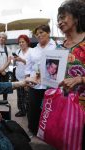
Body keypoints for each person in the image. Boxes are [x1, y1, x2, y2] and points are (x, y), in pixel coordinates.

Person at [56, 0, 85, 148]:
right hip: (64, 107)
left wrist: (80, 79)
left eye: (63, 17)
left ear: (76, 17)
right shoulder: (59, 48)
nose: (60, 22)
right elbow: (52, 74)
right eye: (58, 19)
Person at [25, 24, 57, 135]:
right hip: (35, 84)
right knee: (33, 108)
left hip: (51, 85)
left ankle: (48, 132)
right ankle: (33, 130)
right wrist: (26, 81)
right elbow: (28, 68)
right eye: (37, 34)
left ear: (48, 33)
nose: (39, 35)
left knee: (49, 110)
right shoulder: (32, 50)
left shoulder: (56, 46)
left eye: (41, 32)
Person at [13, 35, 32, 117]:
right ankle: (21, 110)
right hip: (19, 77)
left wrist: (22, 60)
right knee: (20, 95)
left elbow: (33, 64)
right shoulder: (18, 51)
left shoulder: (32, 51)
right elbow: (16, 64)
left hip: (28, 77)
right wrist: (15, 60)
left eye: (23, 42)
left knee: (28, 96)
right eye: (19, 42)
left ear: (27, 42)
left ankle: (29, 112)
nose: (21, 43)